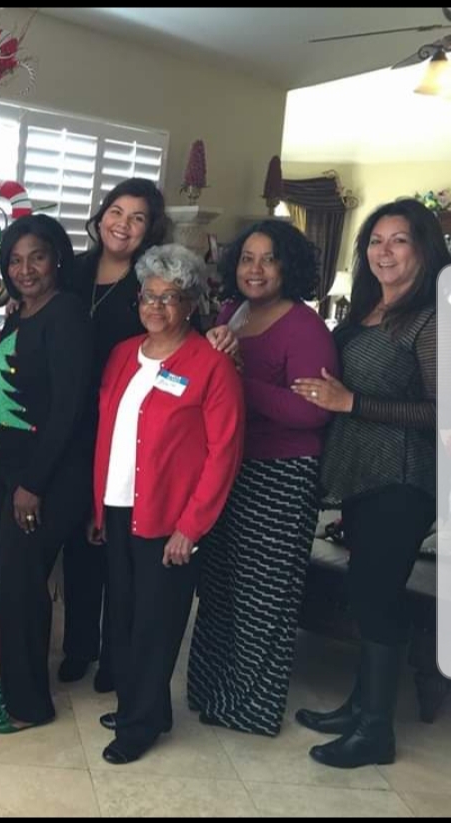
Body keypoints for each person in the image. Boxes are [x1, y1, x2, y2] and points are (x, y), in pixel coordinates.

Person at [292, 199, 447, 768]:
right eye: (375, 241)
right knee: (365, 593)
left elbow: (442, 411)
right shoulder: (367, 312)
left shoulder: (431, 319)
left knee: (378, 599)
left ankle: (376, 733)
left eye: (399, 240)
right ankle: (360, 707)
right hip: (361, 478)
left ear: (425, 249)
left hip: (402, 482)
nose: (384, 251)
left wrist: (352, 402)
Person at [92, 243, 244, 764]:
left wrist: (191, 527)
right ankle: (147, 708)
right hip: (118, 509)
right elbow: (109, 437)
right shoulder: (122, 354)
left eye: (169, 296)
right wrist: (99, 509)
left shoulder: (211, 365)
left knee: (155, 626)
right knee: (125, 618)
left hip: (169, 519)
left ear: (191, 303)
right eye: (148, 295)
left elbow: (224, 454)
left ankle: (138, 726)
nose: (155, 306)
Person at [186, 220, 339, 736]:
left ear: (286, 266)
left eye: (268, 259)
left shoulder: (304, 327)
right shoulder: (232, 312)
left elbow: (312, 412)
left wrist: (235, 379)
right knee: (220, 588)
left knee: (262, 597)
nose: (255, 269)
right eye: (247, 258)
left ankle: (250, 707)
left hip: (281, 475)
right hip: (230, 466)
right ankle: (211, 691)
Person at [0, 215, 92, 734]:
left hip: (45, 478)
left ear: (57, 259)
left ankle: (30, 706)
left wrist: (33, 485)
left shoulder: (66, 315)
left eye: (37, 258)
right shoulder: (22, 312)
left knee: (25, 586)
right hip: (11, 469)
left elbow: (68, 409)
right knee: (13, 584)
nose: (25, 269)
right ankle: (16, 678)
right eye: (16, 260)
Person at [59, 177, 169, 691]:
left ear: (151, 229)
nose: (123, 224)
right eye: (117, 212)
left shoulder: (152, 282)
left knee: (117, 551)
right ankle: (78, 646)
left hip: (127, 429)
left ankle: (114, 658)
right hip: (71, 425)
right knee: (79, 545)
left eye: (138, 217)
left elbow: (181, 336)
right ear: (101, 214)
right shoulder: (73, 270)